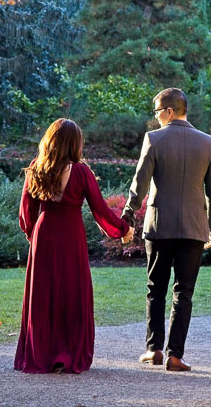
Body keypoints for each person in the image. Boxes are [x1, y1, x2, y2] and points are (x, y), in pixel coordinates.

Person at [16, 118, 134, 374]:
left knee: (43, 295)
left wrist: (33, 235)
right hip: (70, 236)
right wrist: (123, 230)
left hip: (44, 235)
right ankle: (66, 353)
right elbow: (100, 211)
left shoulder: (36, 169)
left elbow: (26, 212)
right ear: (75, 144)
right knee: (72, 294)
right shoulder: (82, 173)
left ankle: (42, 353)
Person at [122, 88, 211, 372]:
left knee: (155, 289)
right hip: (194, 228)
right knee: (184, 292)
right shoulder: (208, 143)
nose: (155, 118)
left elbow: (140, 182)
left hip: (159, 226)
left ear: (168, 111)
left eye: (156, 112)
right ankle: (175, 356)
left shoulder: (154, 139)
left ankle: (153, 349)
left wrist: (128, 212)